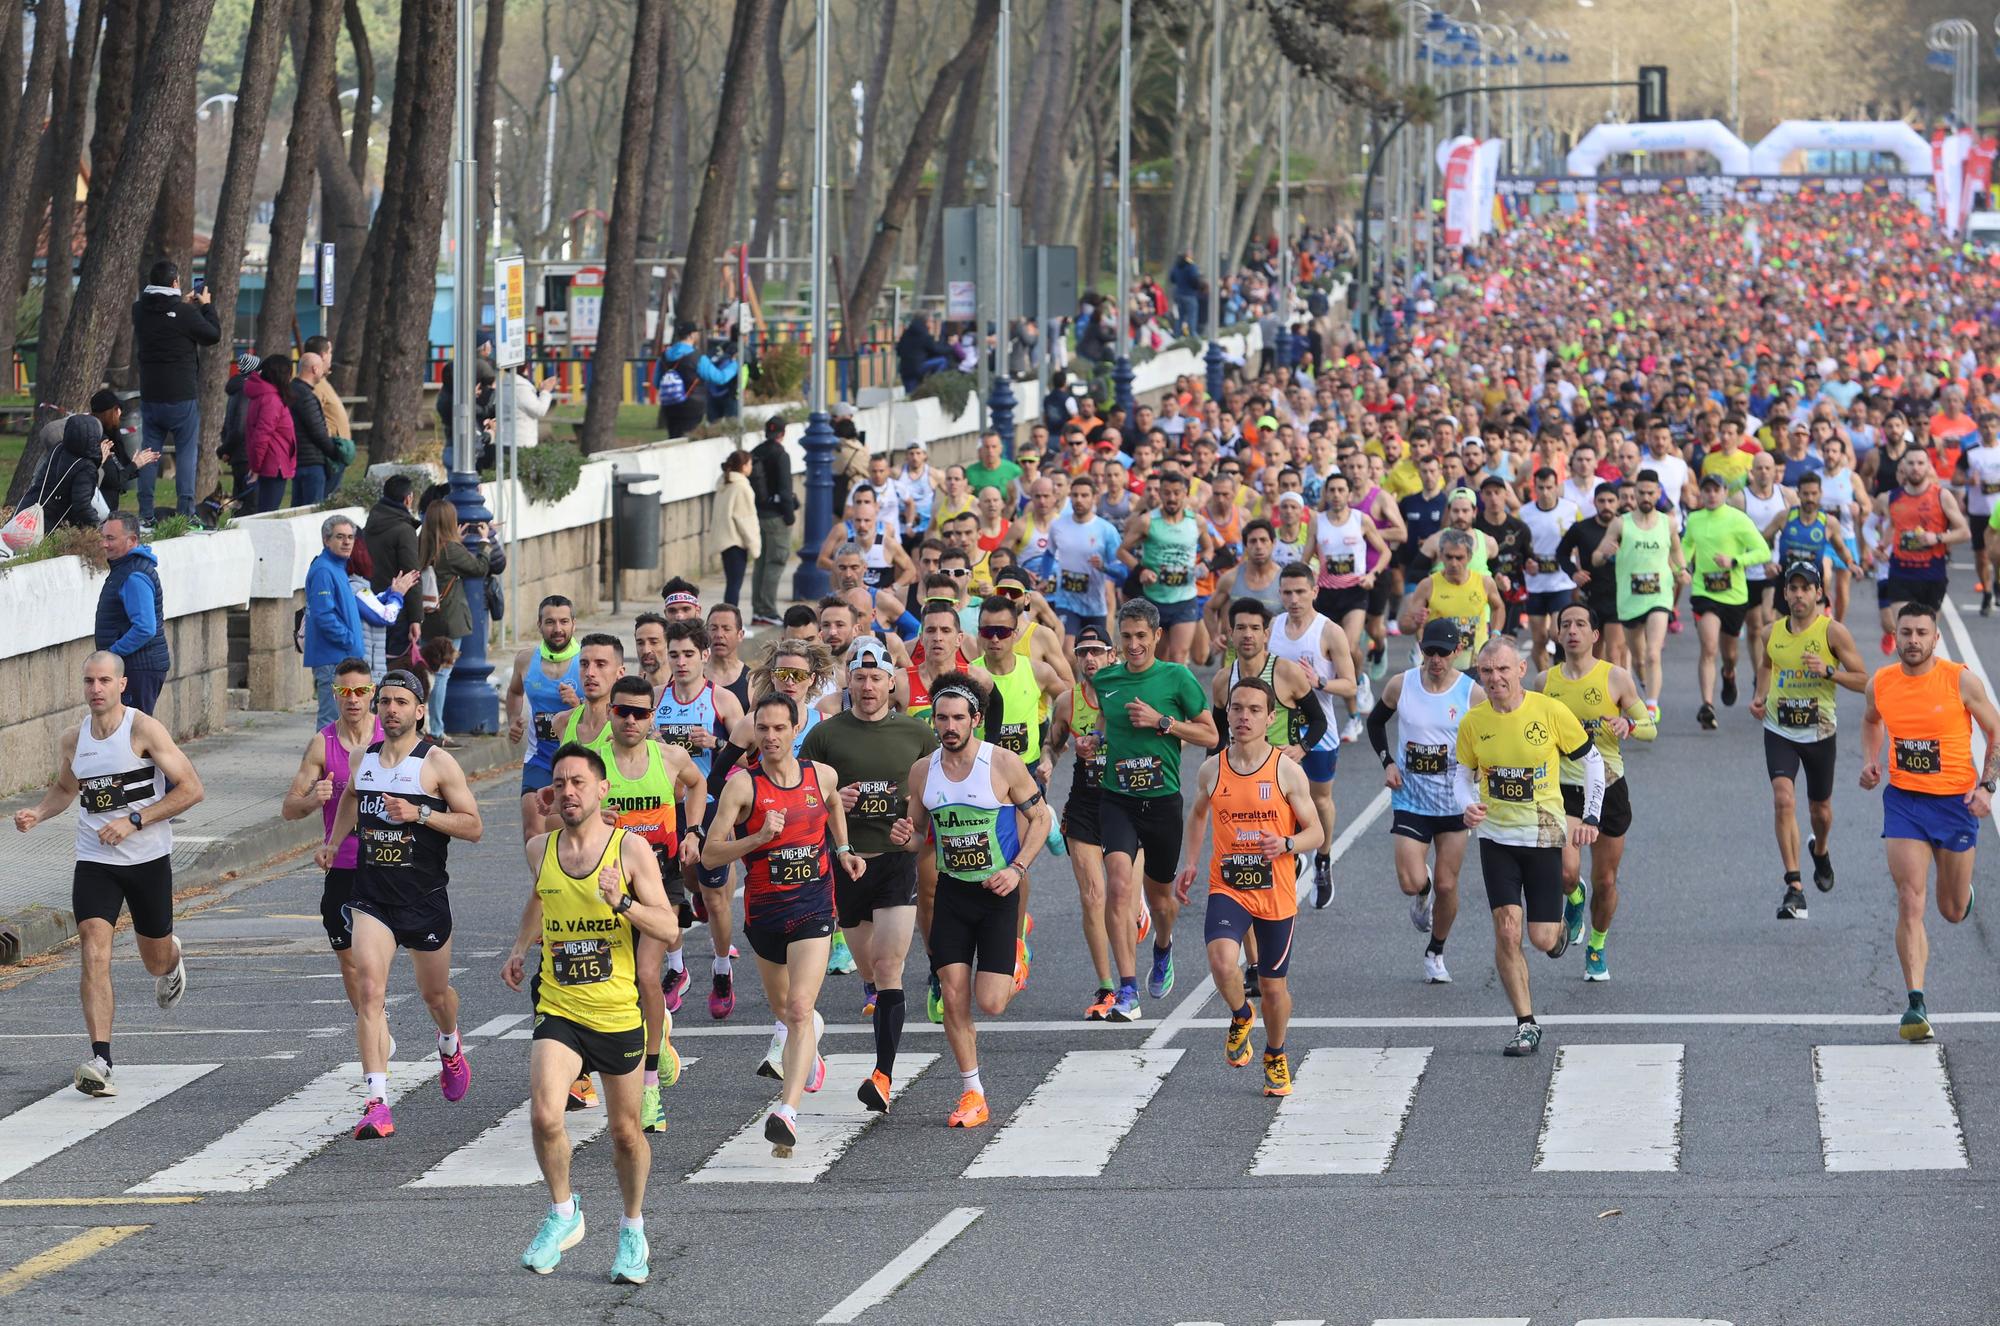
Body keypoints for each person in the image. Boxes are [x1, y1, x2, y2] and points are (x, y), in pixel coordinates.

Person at [503, 743, 680, 1282]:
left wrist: (621, 902)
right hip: (559, 1004)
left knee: (626, 1133)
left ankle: (632, 1229)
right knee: (544, 1115)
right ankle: (563, 1212)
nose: (568, 791)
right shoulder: (541, 848)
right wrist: (519, 947)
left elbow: (670, 927)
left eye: (579, 782)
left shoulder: (629, 852)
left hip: (616, 1011)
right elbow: (540, 897)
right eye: (560, 783)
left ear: (602, 790)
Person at [12, 652, 204, 1096]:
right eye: (88, 681)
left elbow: (193, 789)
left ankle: (171, 957)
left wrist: (136, 821)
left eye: (103, 681)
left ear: (121, 685)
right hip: (96, 861)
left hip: (147, 860)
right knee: (94, 948)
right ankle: (101, 1058)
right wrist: (38, 813)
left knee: (153, 957)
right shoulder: (72, 739)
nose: (95, 689)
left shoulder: (143, 730)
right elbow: (65, 788)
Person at [316, 669, 484, 1139]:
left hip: (424, 899)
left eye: (401, 702)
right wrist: (334, 842)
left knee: (436, 997)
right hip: (373, 900)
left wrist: (421, 813)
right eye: (384, 701)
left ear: (419, 710)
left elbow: (473, 826)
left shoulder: (437, 764)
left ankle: (449, 1044)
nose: (390, 709)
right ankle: (376, 1101)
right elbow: (351, 796)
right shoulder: (362, 758)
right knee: (370, 991)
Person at [702, 693, 864, 1154]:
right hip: (764, 912)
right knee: (787, 1012)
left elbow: (833, 803)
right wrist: (757, 837)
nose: (771, 737)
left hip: (813, 906)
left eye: (780, 729)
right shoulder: (742, 787)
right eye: (763, 729)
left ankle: (787, 1112)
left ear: (796, 731)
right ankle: (809, 1044)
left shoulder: (821, 775)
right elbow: (712, 854)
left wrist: (844, 848)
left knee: (797, 1007)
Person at [904, 673, 1052, 1127]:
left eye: (957, 718)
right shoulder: (921, 771)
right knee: (953, 995)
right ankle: (973, 1092)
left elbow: (1041, 819)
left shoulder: (1003, 765)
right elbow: (916, 839)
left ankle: (1016, 954)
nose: (948, 726)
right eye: (941, 717)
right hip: (951, 892)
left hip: (996, 893)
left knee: (992, 1003)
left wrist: (1017, 868)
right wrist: (904, 835)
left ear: (976, 720)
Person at [799, 638, 938, 1108]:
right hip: (848, 862)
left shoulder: (916, 734)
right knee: (868, 969)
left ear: (891, 681)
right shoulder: (826, 736)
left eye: (877, 678)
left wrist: (917, 821)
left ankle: (882, 1074)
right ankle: (877, 1008)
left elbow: (939, 786)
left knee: (888, 966)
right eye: (859, 677)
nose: (868, 686)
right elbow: (802, 800)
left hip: (897, 861)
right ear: (849, 681)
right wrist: (837, 802)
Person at [1455, 637, 1603, 1057]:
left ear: (1520, 669)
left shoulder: (1549, 711)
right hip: (1497, 839)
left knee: (1541, 939)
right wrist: (1466, 805)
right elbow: (1462, 775)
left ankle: (1566, 915)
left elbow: (1591, 761)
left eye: (1502, 669)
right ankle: (1525, 1023)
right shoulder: (1474, 721)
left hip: (1543, 836)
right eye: (1486, 672)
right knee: (1506, 928)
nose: (1495, 678)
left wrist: (1591, 816)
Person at [1174, 676, 1323, 1096]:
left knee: (1274, 988)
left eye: (1254, 710)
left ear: (1271, 718)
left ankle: (1275, 1053)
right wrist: (1190, 863)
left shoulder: (1287, 772)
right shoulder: (1212, 768)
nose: (1243, 717)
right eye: (1237, 708)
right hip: (1229, 884)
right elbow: (1199, 813)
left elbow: (1317, 833)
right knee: (1223, 962)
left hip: (1275, 890)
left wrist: (1288, 843)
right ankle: (1241, 1014)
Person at [1859, 601, 1999, 1042]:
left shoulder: (1959, 680)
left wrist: (1987, 786)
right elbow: (1870, 721)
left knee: (1952, 910)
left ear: (1936, 638)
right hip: (1904, 802)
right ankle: (1915, 1003)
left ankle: (1962, 896)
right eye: (1906, 633)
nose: (1913, 640)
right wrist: (1870, 761)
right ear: (1895, 636)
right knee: (1909, 898)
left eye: (1922, 632)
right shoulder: (1881, 682)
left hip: (1955, 804)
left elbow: (1996, 731)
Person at [1092, 598, 1219, 1021]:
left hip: (1162, 800)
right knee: (1118, 886)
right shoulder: (1106, 680)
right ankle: (1127, 990)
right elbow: (1105, 725)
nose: (1133, 645)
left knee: (1161, 899)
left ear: (1157, 636)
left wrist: (1163, 722)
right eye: (1126, 637)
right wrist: (1094, 741)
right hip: (1117, 799)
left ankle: (1163, 946)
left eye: (1141, 636)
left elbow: (1210, 735)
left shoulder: (1176, 677)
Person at [1534, 604, 1655, 982]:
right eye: (1565, 624)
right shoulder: (1543, 682)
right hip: (1562, 790)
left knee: (1606, 881)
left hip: (1608, 789)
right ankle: (1574, 896)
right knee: (1567, 875)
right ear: (1557, 634)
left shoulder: (1615, 678)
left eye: (1581, 624)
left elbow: (1649, 726)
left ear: (1595, 635)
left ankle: (1597, 945)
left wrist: (1628, 725)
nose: (1572, 630)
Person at [1367, 619, 1482, 985]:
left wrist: (1480, 768)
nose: (1435, 659)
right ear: (1421, 648)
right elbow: (1375, 723)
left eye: (1443, 653)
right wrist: (1387, 761)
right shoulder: (1402, 685)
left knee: (1449, 885)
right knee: (1409, 881)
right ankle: (1422, 892)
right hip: (1411, 798)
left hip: (1454, 801)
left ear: (1457, 651)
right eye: (1429, 651)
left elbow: (1489, 735)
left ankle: (1436, 951)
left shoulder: (1471, 693)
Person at [1753, 563, 1867, 921]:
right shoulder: (1770, 632)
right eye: (1793, 588)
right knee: (1783, 798)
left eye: (1806, 588)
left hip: (1820, 732)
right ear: (1784, 594)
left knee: (1820, 811)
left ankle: (1821, 849)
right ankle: (1794, 886)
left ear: (1819, 593)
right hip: (1780, 728)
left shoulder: (1833, 633)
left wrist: (1829, 671)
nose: (1799, 595)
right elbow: (1767, 664)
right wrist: (1760, 696)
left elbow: (1865, 680)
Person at [280, 657, 383, 1028]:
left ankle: (377, 1016)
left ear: (372, 692)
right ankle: (371, 1023)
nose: (352, 699)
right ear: (334, 694)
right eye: (344, 692)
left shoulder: (392, 736)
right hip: (342, 864)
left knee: (377, 956)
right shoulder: (323, 744)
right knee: (348, 956)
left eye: (360, 691)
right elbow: (289, 808)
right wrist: (312, 799)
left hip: (388, 864)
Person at [650, 618, 744, 1017]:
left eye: (689, 654)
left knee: (715, 896)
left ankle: (721, 971)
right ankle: (678, 967)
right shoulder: (656, 697)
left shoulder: (721, 700)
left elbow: (747, 754)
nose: (682, 661)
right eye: (674, 655)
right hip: (668, 807)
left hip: (711, 805)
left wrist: (718, 742)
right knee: (674, 886)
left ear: (705, 655)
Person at [1269, 561, 1356, 906]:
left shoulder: (1329, 631)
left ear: (1314, 591)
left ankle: (1322, 857)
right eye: (1287, 592)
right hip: (1278, 730)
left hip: (1320, 729)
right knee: (1279, 800)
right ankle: (1292, 855)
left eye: (1300, 592)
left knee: (1319, 800)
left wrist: (1320, 681)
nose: (1293, 599)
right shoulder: (1272, 627)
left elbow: (1349, 685)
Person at [1589, 470, 1688, 723]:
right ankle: (1644, 682)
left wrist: (1681, 572)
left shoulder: (1669, 523)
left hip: (1659, 596)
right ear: (1633, 494)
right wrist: (1606, 553)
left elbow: (1676, 553)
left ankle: (1652, 706)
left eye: (1650, 493)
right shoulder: (1621, 523)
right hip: (1629, 601)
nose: (1645, 497)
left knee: (1654, 652)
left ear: (1658, 494)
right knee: (1640, 658)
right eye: (1641, 492)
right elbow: (1595, 558)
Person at [1682, 474, 1773, 731]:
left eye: (1716, 490)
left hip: (1734, 595)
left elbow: (1762, 551)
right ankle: (1707, 706)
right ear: (1701, 493)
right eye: (1706, 490)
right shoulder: (1695, 519)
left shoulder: (1738, 519)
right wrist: (1681, 567)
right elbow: (1687, 545)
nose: (1711, 495)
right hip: (1704, 592)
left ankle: (1729, 673)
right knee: (1709, 647)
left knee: (1729, 654)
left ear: (1724, 492)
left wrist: (1735, 561)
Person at [131, 260, 220, 523]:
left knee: (149, 454)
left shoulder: (139, 310)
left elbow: (161, 306)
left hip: (151, 395)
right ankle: (185, 512)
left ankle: (145, 513)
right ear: (175, 283)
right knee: (186, 452)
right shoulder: (186, 314)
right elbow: (213, 335)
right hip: (181, 395)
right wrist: (205, 306)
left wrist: (181, 301)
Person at [1871, 450, 1969, 656]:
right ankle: (1907, 684)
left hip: (1932, 575)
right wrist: (1880, 546)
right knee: (1905, 634)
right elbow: (1891, 526)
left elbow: (1964, 532)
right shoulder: (1891, 498)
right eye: (1911, 463)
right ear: (1903, 467)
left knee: (1925, 638)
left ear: (1928, 466)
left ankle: (1925, 682)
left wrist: (1938, 538)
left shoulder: (1942, 496)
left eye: (1920, 463)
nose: (1915, 467)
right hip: (1901, 574)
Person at [1119, 471, 1216, 664]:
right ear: (1161, 494)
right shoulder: (1147, 521)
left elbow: (1209, 548)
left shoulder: (1196, 522)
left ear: (1185, 494)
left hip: (1185, 598)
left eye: (1176, 493)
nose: (1171, 498)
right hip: (1155, 600)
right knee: (1158, 659)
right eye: (1167, 493)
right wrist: (1141, 571)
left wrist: (1205, 562)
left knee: (1179, 656)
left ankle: (1179, 695)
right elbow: (1122, 551)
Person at [508, 596, 584, 838]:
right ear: (539, 625)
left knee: (566, 831)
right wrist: (513, 719)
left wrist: (578, 705)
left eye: (564, 621)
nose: (558, 629)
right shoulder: (525, 660)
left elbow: (605, 710)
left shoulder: (587, 663)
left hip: (579, 758)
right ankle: (539, 878)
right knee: (533, 831)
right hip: (539, 759)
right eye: (550, 622)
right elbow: (514, 691)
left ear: (574, 624)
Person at [417, 500, 487, 747]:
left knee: (427, 673)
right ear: (450, 522)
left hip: (428, 618)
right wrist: (484, 543)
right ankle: (436, 730)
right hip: (450, 621)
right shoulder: (451, 549)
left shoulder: (421, 545)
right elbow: (479, 568)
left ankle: (425, 725)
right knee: (442, 676)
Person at [92, 513, 171, 716]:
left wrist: (111, 653)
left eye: (111, 538)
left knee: (134, 736)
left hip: (138, 669)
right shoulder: (125, 568)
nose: (104, 544)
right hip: (133, 666)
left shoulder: (134, 575)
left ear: (132, 540)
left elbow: (145, 628)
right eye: (103, 537)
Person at [1401, 529, 1504, 674]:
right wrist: (1415, 622)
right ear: (1441, 556)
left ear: (1469, 557)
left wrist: (1495, 635)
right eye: (1449, 557)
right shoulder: (1428, 585)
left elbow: (1498, 607)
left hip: (1476, 665)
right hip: (1438, 667)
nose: (1454, 563)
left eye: (1459, 557)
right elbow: (1404, 626)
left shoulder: (1484, 582)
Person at [302, 516, 367, 727]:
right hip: (333, 657)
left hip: (342, 656)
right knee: (331, 720)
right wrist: (349, 640)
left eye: (350, 537)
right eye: (340, 537)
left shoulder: (337, 567)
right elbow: (324, 616)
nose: (347, 542)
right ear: (326, 540)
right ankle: (324, 760)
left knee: (345, 720)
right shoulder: (323, 570)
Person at [365, 474, 423, 663]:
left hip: (371, 605)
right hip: (397, 608)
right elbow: (411, 575)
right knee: (394, 668)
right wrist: (416, 618)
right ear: (408, 498)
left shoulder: (371, 523)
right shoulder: (404, 530)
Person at [749, 417, 797, 626]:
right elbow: (785, 491)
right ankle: (768, 610)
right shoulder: (781, 455)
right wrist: (790, 516)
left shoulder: (756, 451)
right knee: (776, 562)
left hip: (758, 514)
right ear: (782, 433)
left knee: (761, 563)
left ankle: (758, 609)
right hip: (776, 516)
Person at [244, 355, 298, 514]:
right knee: (268, 513)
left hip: (270, 462)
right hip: (274, 465)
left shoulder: (263, 397)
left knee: (265, 510)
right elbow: (261, 436)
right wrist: (256, 467)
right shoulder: (271, 400)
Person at [287, 351, 338, 508]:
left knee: (298, 509)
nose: (323, 372)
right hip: (311, 461)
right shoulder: (306, 396)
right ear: (315, 369)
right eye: (322, 368)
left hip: (297, 460)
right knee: (312, 512)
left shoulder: (291, 390)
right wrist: (335, 452)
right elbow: (317, 431)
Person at [711, 449, 760, 609]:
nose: (751, 467)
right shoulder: (741, 487)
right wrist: (754, 545)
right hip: (736, 542)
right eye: (750, 463)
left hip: (725, 540)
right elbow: (745, 520)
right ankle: (730, 624)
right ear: (744, 466)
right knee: (734, 585)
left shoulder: (725, 485)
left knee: (731, 584)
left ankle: (728, 622)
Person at [896, 312, 954, 392]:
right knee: (942, 361)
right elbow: (937, 350)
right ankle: (932, 382)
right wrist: (951, 346)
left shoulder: (906, 333)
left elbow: (899, 350)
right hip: (918, 368)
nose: (932, 324)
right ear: (926, 322)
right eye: (931, 321)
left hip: (905, 370)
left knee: (910, 394)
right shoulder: (924, 334)